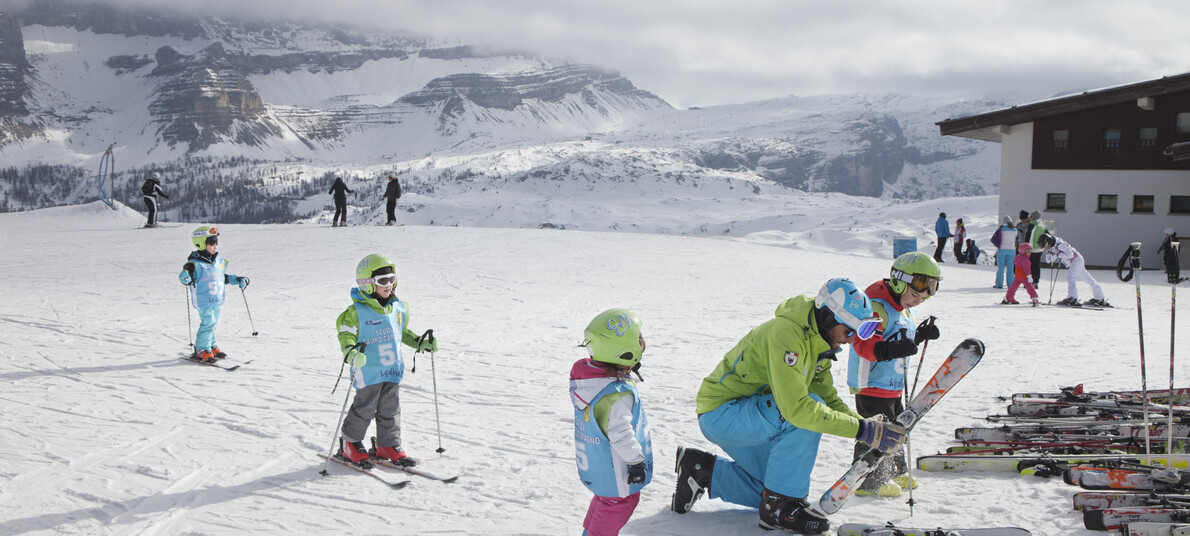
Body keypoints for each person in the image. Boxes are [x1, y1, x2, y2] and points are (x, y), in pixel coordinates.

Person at [672, 278, 906, 534]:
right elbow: (797, 410)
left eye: (860, 333)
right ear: (828, 318)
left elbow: (829, 399)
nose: (852, 340)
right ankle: (780, 507)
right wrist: (863, 431)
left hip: (750, 414)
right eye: (850, 331)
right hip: (722, 412)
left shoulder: (818, 343)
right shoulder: (786, 334)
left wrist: (867, 428)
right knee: (804, 414)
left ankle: (701, 470)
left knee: (773, 482)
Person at [847, 253, 942, 498]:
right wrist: (892, 349)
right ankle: (868, 481)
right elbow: (864, 345)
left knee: (898, 428)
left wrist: (919, 336)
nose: (917, 302)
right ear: (899, 282)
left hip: (892, 384)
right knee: (877, 431)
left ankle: (896, 470)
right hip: (872, 384)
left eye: (923, 298)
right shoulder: (877, 307)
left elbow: (899, 339)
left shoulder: (904, 309)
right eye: (914, 295)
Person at [334, 253, 438, 467]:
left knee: (390, 409)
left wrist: (420, 343)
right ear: (367, 283)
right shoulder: (355, 313)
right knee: (365, 408)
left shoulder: (398, 308)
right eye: (383, 281)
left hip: (391, 369)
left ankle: (387, 444)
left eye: (392, 279)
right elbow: (346, 336)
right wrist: (351, 353)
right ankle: (350, 443)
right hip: (369, 370)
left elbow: (402, 333)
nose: (389, 285)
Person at [570, 309, 653, 536]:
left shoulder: (592, 381)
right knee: (619, 503)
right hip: (618, 469)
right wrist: (636, 461)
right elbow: (620, 433)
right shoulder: (616, 394)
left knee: (605, 499)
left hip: (601, 466)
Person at [178, 226, 249, 362]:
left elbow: (222, 278)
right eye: (211, 243)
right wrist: (185, 277)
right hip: (203, 300)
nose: (215, 246)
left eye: (216, 242)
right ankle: (201, 349)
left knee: (213, 323)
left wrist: (237, 280)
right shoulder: (194, 264)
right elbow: (186, 277)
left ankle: (210, 345)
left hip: (216, 300)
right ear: (200, 243)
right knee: (208, 322)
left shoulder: (217, 262)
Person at [1040, 234, 1109, 307]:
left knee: (1070, 278)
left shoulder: (1061, 245)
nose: (1046, 247)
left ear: (1050, 242)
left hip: (1076, 260)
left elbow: (1070, 255)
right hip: (1074, 262)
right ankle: (1099, 297)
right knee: (1087, 279)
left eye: (1046, 245)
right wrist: (1051, 257)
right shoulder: (1053, 247)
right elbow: (1048, 260)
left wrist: (1058, 255)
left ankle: (1073, 297)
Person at [994, 216, 1017, 288]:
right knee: (1010, 268)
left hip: (1002, 250)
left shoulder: (1000, 229)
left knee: (1000, 268)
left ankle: (999, 284)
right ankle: (1010, 284)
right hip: (1011, 250)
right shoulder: (1014, 230)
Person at [1027, 211, 1047, 286]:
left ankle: (1031, 281)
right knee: (1037, 265)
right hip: (1040, 248)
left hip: (1032, 248)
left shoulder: (1032, 225)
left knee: (1031, 265)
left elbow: (1029, 236)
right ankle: (1036, 281)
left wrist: (1027, 247)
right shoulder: (1042, 225)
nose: (1030, 218)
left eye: (1031, 216)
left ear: (1033, 217)